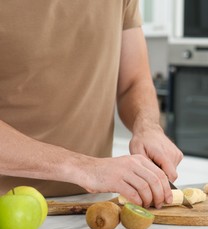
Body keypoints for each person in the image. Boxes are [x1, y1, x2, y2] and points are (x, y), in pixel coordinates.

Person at [0, 0, 183, 209]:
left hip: (92, 209)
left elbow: (133, 81)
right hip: (6, 206)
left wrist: (147, 126)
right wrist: (85, 168)